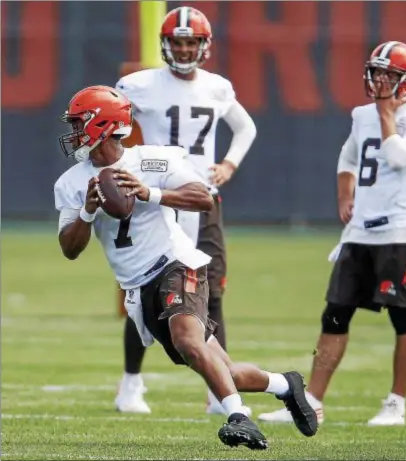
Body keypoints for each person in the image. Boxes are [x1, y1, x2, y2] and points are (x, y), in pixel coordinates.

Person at [54, 85, 317, 449]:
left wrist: (151, 193)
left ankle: (240, 418)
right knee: (222, 369)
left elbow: (203, 198)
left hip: (176, 263)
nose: (75, 132)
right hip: (138, 286)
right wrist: (88, 210)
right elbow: (70, 248)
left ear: (104, 124)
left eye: (81, 123)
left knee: (187, 339)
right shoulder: (69, 183)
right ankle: (286, 384)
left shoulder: (152, 160)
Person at [258, 41, 406, 427]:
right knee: (335, 315)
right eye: (376, 73)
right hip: (360, 232)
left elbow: (396, 155)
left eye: (389, 75)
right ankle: (312, 400)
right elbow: (349, 155)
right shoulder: (363, 115)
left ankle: (396, 404)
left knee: (403, 318)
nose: (380, 81)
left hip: (400, 231)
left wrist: (386, 114)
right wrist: (345, 193)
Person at [114, 5, 257, 415]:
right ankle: (130, 384)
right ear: (165, 44)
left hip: (203, 200)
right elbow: (112, 125)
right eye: (177, 41)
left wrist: (229, 163)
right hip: (159, 202)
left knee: (212, 294)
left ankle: (219, 392)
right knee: (146, 294)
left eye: (190, 41)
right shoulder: (138, 85)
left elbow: (246, 127)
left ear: (203, 45)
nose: (183, 48)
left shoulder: (216, 87)